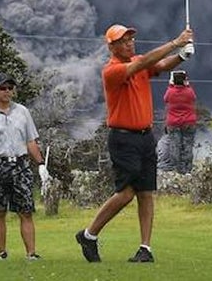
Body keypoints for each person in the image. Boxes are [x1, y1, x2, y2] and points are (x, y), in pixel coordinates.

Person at [76, 24, 193, 264]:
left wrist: (182, 56)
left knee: (145, 192)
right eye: (123, 41)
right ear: (112, 47)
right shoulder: (112, 71)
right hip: (123, 138)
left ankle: (145, 248)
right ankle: (89, 235)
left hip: (145, 136)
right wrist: (176, 42)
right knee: (126, 193)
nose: (130, 43)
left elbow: (161, 65)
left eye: (131, 39)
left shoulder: (139, 62)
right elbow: (143, 63)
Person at [0, 72, 46, 260]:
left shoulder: (22, 112)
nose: (7, 91)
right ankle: (2, 252)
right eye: (2, 88)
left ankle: (31, 253)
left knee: (26, 211)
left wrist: (40, 164)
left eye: (10, 88)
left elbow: (30, 141)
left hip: (20, 164)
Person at [163, 70, 197, 175]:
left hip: (173, 123)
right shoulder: (189, 91)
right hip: (188, 122)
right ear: (185, 80)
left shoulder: (170, 92)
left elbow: (165, 99)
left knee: (174, 146)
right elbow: (194, 98)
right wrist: (187, 85)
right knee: (188, 146)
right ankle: (187, 170)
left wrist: (170, 85)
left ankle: (176, 170)